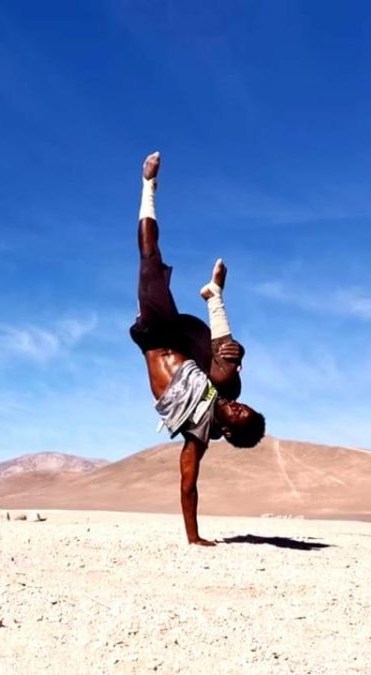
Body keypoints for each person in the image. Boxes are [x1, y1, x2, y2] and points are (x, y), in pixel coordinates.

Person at [129, 151, 266, 546]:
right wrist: (236, 351)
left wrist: (194, 537)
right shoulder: (227, 389)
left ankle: (146, 185)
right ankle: (214, 296)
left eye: (239, 415)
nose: (238, 407)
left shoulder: (198, 436)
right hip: (188, 337)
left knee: (149, 261)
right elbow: (229, 368)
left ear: (229, 431)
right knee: (231, 376)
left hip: (154, 334)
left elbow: (188, 484)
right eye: (245, 408)